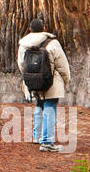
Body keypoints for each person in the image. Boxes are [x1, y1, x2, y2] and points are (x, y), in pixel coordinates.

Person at [17, 16, 71, 152]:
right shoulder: (52, 43)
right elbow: (62, 65)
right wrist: (66, 80)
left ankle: (37, 136)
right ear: (44, 28)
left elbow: (21, 64)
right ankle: (47, 141)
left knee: (39, 104)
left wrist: (30, 77)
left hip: (32, 80)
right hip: (51, 80)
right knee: (50, 105)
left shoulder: (23, 44)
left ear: (30, 29)